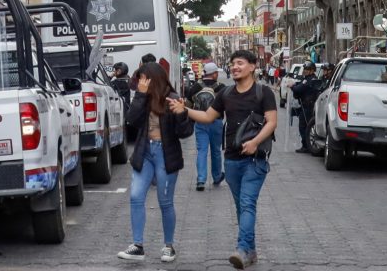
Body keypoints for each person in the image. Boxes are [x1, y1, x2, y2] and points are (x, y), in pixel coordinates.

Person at [169, 50, 277, 269]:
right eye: (232, 63)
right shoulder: (226, 93)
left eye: (240, 63)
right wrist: (185, 109)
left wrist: (255, 141)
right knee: (241, 206)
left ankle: (242, 249)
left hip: (256, 160)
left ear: (252, 66)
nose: (235, 67)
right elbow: (208, 117)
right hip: (232, 160)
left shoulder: (263, 92)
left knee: (247, 203)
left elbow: (272, 122)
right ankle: (251, 250)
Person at [117, 63, 193, 263]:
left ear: (154, 79)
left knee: (165, 201)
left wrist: (181, 113)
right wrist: (140, 96)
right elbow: (131, 120)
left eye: (144, 79)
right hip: (145, 153)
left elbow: (185, 133)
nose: (141, 83)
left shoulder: (173, 98)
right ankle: (138, 245)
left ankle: (169, 246)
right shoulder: (143, 97)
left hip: (165, 154)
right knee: (135, 196)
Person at [185, 62, 226, 191]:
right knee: (216, 151)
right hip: (216, 121)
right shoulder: (222, 87)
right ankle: (217, 176)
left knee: (202, 151)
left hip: (200, 121)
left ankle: (201, 180)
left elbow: (188, 104)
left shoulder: (195, 87)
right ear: (214, 74)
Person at [289, 62, 323, 154]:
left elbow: (298, 89)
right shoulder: (309, 79)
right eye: (304, 69)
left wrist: (292, 86)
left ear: (312, 70)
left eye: (307, 69)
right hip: (307, 105)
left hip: (308, 106)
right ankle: (308, 145)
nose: (305, 71)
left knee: (304, 126)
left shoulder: (310, 80)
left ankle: (306, 145)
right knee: (307, 126)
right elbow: (299, 85)